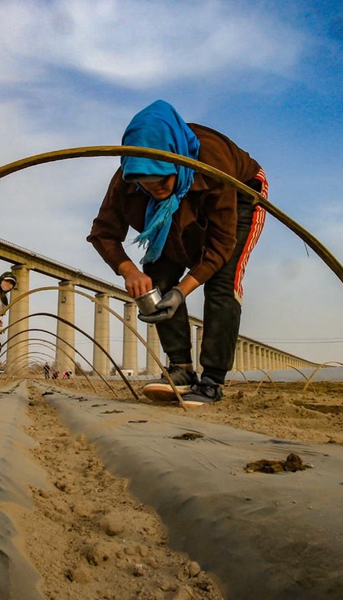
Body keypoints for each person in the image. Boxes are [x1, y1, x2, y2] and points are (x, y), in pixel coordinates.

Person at [87, 100, 267, 406]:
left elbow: (221, 245)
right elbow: (104, 232)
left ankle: (212, 379)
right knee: (156, 276)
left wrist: (183, 291)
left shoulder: (213, 163)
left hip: (242, 196)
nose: (154, 188)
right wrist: (129, 269)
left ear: (177, 164)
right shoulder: (127, 181)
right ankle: (181, 369)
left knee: (222, 282)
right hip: (178, 207)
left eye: (161, 179)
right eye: (144, 182)